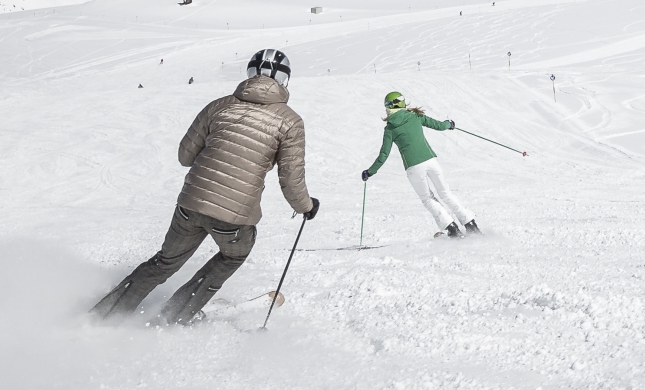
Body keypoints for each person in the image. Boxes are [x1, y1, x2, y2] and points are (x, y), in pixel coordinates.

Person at [93, 48, 317, 323]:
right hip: (234, 217)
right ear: (284, 80)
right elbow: (291, 180)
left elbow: (184, 156)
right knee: (233, 255)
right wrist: (306, 207)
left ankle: (105, 315)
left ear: (249, 73)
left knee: (165, 262)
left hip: (191, 204)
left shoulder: (219, 105)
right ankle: (174, 315)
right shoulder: (290, 120)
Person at [363, 90, 480, 236]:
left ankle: (452, 230)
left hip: (414, 168)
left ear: (388, 107)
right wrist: (449, 124)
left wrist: (370, 172)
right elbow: (439, 125)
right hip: (431, 161)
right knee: (446, 194)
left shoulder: (390, 128)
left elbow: (383, 155)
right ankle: (471, 225)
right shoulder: (415, 116)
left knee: (428, 199)